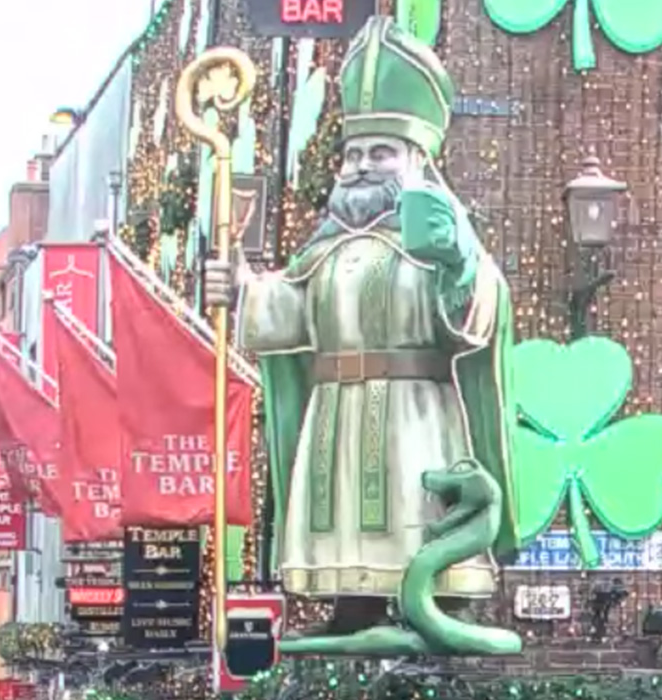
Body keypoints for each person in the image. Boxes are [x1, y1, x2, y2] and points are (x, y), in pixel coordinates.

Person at [204, 15, 519, 639]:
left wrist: (456, 262)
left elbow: (477, 311)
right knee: (338, 514)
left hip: (415, 411)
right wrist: (239, 289)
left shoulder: (437, 236)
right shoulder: (325, 248)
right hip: (334, 416)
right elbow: (290, 316)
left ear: (416, 161)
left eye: (380, 153)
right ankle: (353, 607)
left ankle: (432, 600)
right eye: (353, 154)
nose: (360, 167)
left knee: (412, 513)